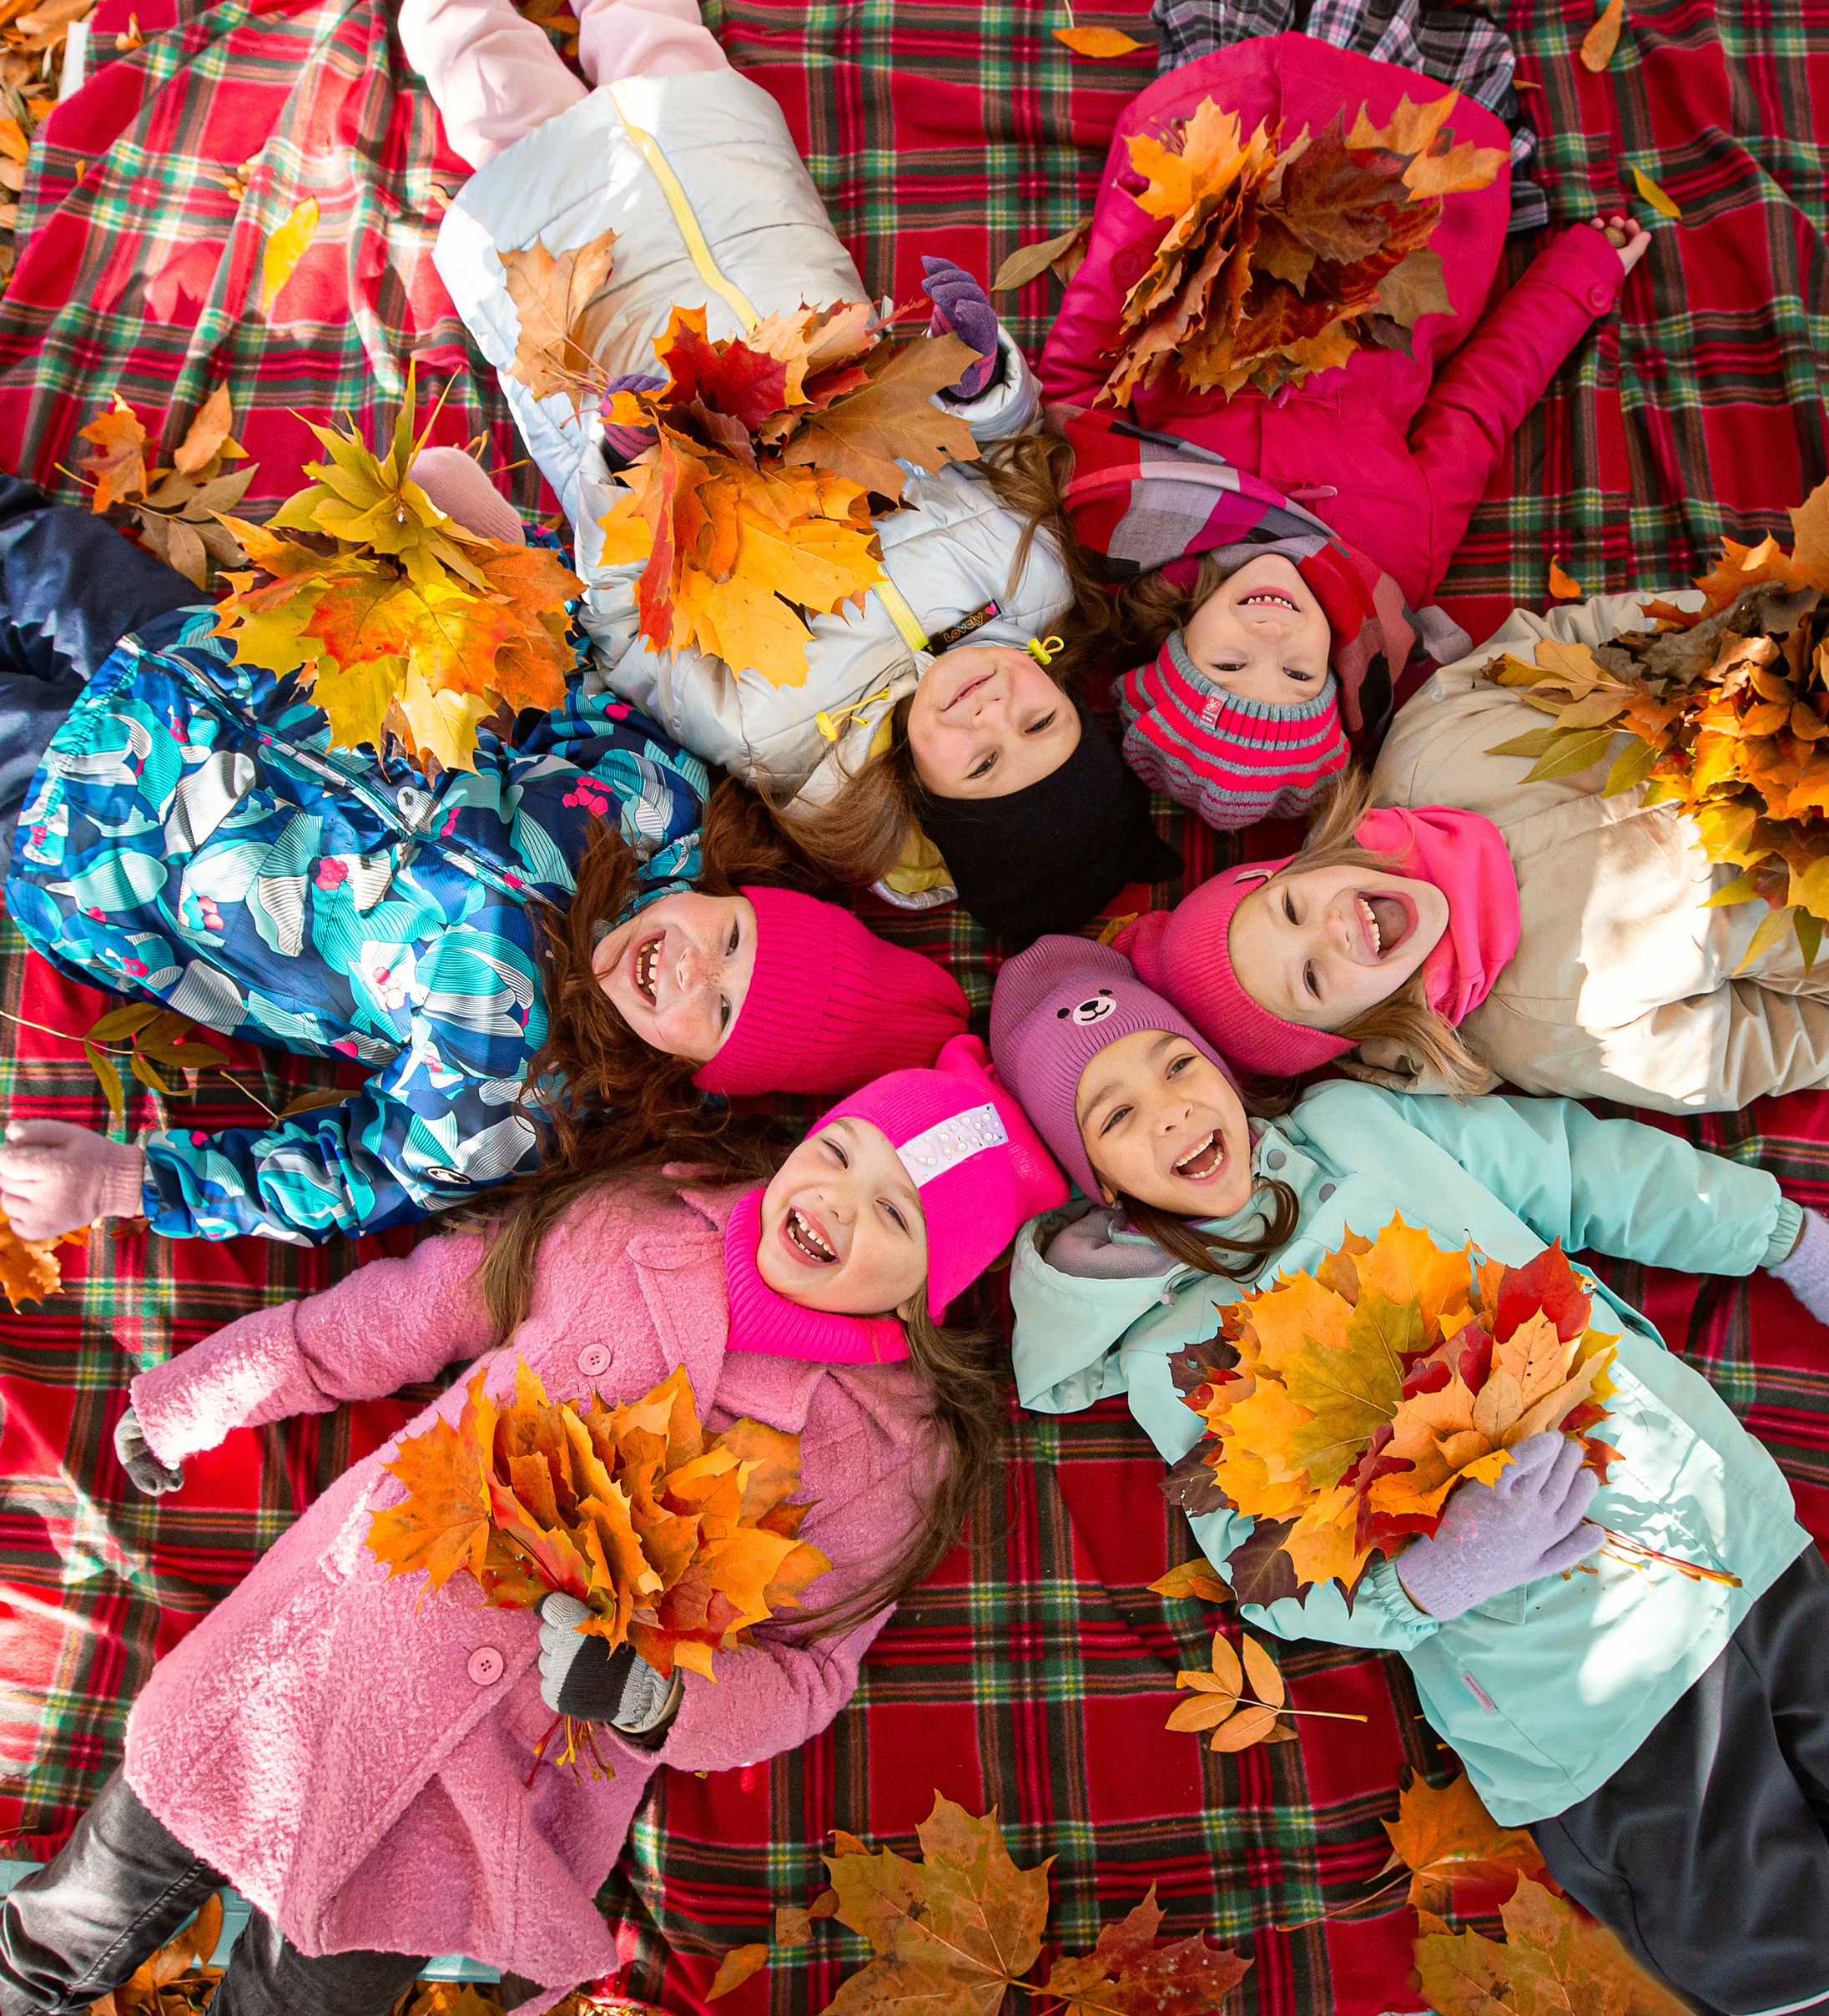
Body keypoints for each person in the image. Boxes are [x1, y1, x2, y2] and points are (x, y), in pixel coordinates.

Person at [985, 936, 1829, 2013]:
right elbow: (1266, 1567)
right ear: (1096, 1183)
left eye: (1176, 1060)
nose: (1173, 1107)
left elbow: (1593, 1172)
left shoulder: (1366, 1132)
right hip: (1582, 1702)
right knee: (1787, 1960)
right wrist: (1437, 1578)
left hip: (1733, 1552)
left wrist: (1792, 1242)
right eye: (1116, 1113)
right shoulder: (1170, 1353)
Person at [0, 1036, 1066, 2014]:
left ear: (931, 1289)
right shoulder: (629, 1226)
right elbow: (399, 1319)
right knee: (68, 1918)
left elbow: (809, 1676)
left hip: (485, 1789)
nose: (840, 1201)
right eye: (841, 1153)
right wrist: (207, 1391)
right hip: (311, 1656)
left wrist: (658, 1700)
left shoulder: (887, 1455)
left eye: (897, 1216)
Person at [0, 465, 972, 1244]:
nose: (687, 968)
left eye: (713, 1010)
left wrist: (124, 1181)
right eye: (728, 941)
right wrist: (495, 545)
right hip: (218, 655)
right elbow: (559, 663)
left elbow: (359, 1175)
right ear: (734, 893)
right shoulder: (654, 800)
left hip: (107, 837)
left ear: (696, 1071)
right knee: (31, 549)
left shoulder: (516, 1088)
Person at [400, 0, 1179, 941]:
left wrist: (623, 470)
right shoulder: (1032, 583)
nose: (993, 716)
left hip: (612, 348)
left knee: (497, 97)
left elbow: (626, 634)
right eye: (1040, 727)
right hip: (764, 260)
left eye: (979, 765)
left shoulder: (781, 734)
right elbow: (1008, 457)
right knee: (667, 57)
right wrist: (981, 387)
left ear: (925, 805)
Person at [1112, 515, 1829, 1110]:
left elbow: (1566, 640)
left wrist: (1715, 621)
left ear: (1300, 865)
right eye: (1312, 979)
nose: (1329, 931)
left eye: (1290, 910)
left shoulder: (1427, 748)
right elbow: (1766, 1047)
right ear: (1353, 1030)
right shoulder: (1543, 1032)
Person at [1035, 18, 1649, 827]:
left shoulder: (1125, 520)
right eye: (1295, 677)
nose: (1269, 637)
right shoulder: (1396, 563)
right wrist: (1578, 281)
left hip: (1230, 145)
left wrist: (1150, 201)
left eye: (1228, 661)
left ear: (1176, 646)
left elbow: (1083, 368)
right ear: (1338, 675)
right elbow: (1480, 404)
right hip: (1393, 200)